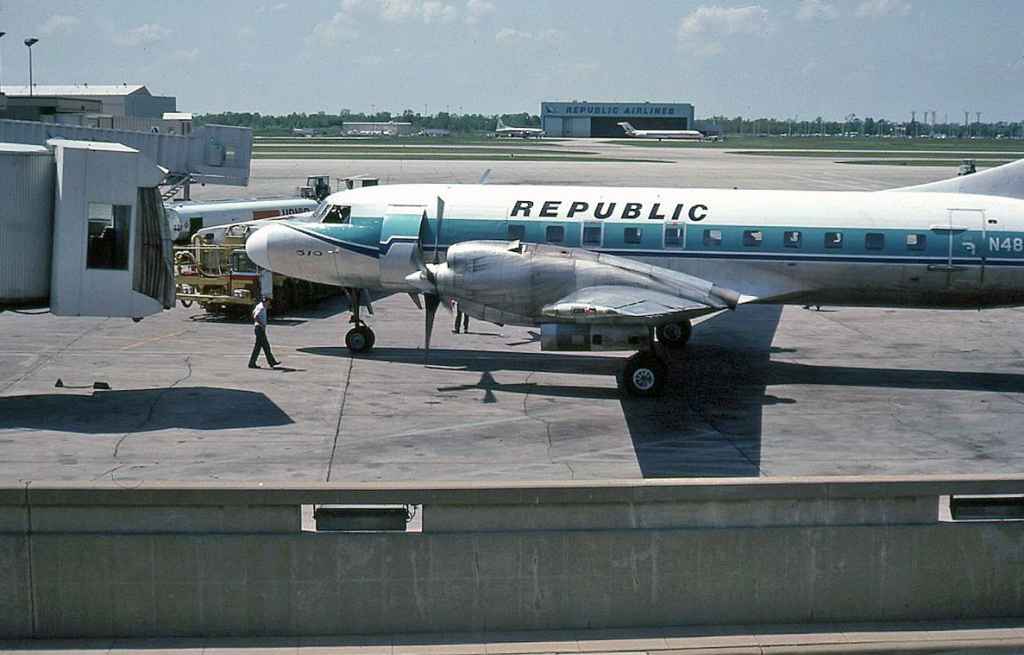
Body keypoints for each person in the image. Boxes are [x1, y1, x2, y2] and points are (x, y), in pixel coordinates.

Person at [249, 296, 280, 369]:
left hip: (259, 329)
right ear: (265, 302)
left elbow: (253, 313)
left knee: (258, 347)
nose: (268, 303)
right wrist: (261, 324)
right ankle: (271, 362)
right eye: (268, 302)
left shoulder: (259, 305)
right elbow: (255, 316)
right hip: (259, 329)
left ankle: (252, 363)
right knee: (266, 346)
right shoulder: (261, 308)